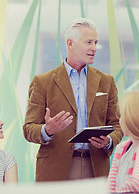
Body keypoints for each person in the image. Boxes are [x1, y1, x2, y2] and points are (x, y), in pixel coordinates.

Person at [23, 18, 123, 181]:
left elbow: (117, 125)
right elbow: (28, 128)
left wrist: (109, 141)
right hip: (55, 168)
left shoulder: (106, 82)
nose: (94, 48)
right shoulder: (42, 82)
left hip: (96, 167)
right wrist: (47, 130)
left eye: (96, 42)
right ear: (70, 43)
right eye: (88, 42)